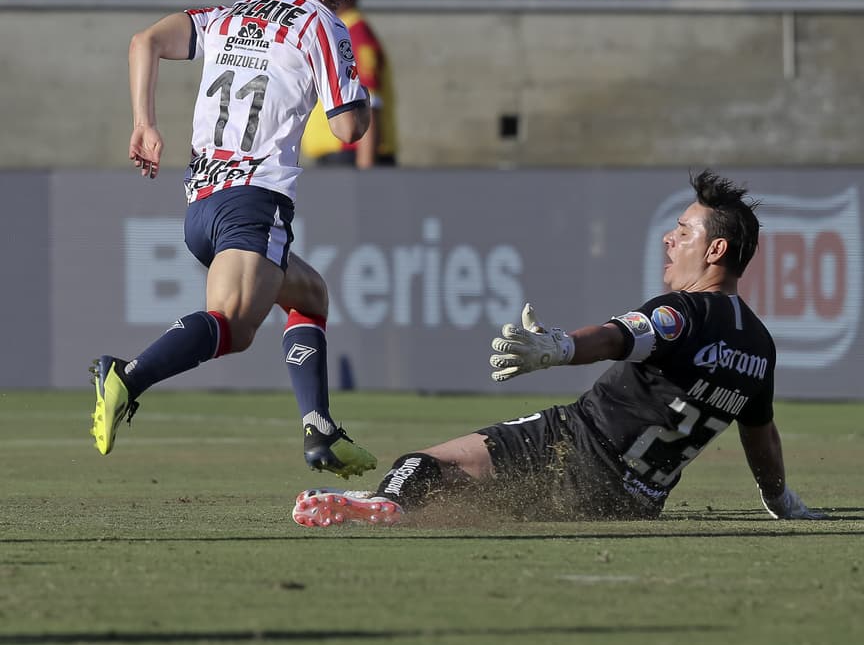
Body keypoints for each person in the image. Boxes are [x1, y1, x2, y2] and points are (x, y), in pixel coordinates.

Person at [292, 170, 824, 526]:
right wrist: (780, 501)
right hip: (629, 504)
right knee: (483, 499)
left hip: (573, 445)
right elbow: (762, 437)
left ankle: (387, 499)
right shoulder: (759, 346)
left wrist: (561, 346)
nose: (669, 239)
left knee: (423, 464)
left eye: (682, 232)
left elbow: (622, 336)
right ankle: (397, 503)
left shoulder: (683, 311)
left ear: (715, 249)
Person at [91, 0, 377, 480]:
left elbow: (142, 41)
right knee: (235, 325)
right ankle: (125, 375)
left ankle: (319, 429)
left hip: (202, 206)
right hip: (255, 199)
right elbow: (347, 129)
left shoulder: (226, 17)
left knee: (310, 294)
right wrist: (359, 92)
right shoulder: (323, 26)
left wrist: (144, 124)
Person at [300, 0, 397, 166]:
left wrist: (364, 174)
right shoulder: (337, 31)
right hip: (339, 155)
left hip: (352, 155)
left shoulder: (353, 35)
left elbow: (369, 102)